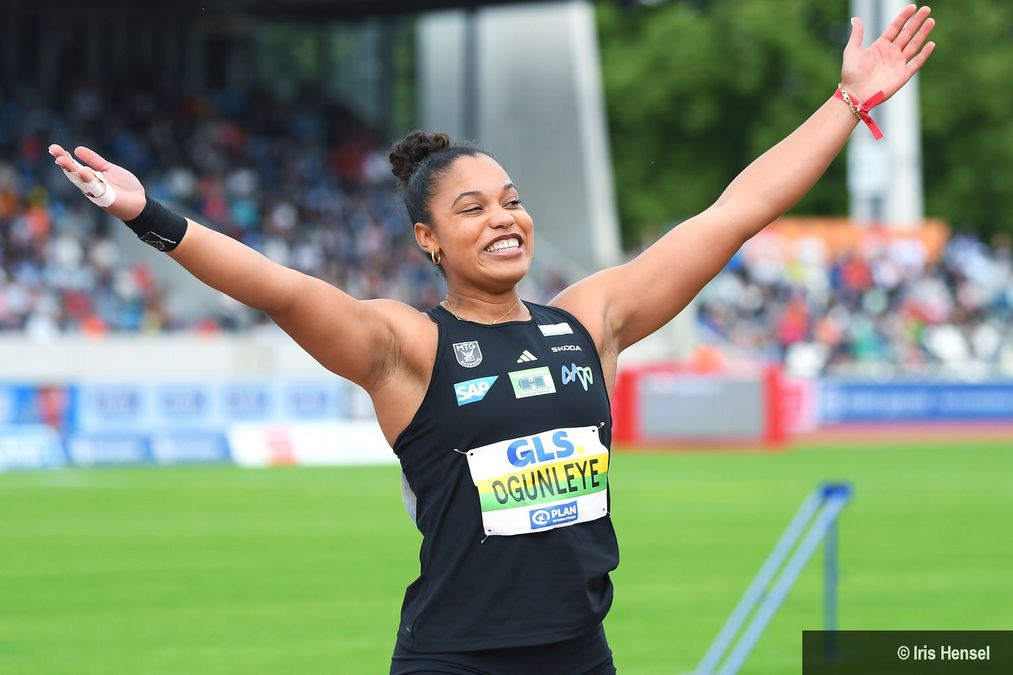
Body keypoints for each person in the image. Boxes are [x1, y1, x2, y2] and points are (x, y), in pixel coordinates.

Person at [47, 6, 934, 673]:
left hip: (580, 651)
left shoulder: (589, 321)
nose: (503, 218)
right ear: (427, 239)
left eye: (511, 200)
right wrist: (148, 214)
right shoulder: (405, 347)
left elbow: (734, 212)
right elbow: (279, 288)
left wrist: (845, 102)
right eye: (471, 209)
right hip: (455, 658)